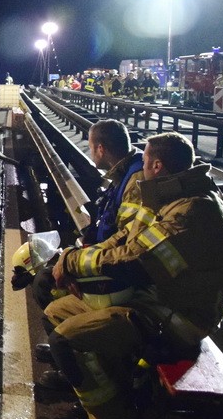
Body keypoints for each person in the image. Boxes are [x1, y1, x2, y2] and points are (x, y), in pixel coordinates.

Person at [44, 132, 223, 419]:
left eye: (145, 161)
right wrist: (69, 260)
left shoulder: (189, 213)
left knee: (67, 339)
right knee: (59, 311)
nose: (141, 167)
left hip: (178, 318)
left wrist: (73, 264)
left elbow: (132, 261)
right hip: (157, 303)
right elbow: (125, 240)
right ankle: (96, 386)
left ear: (158, 166)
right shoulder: (175, 198)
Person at [31, 119, 144, 368]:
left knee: (45, 283)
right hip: (107, 259)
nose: (90, 154)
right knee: (46, 277)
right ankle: (73, 345)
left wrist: (75, 262)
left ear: (101, 149)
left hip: (117, 271)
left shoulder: (133, 182)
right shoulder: (125, 174)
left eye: (92, 148)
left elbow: (125, 240)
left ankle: (78, 350)